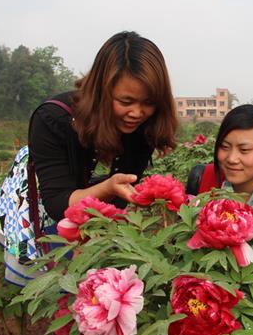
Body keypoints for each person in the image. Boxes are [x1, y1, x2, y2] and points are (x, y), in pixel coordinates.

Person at [30, 31, 178, 222]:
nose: (137, 113)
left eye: (148, 102)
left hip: (99, 224)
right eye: (126, 102)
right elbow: (57, 204)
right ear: (101, 91)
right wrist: (107, 188)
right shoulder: (52, 118)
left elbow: (121, 197)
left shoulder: (147, 124)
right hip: (46, 221)